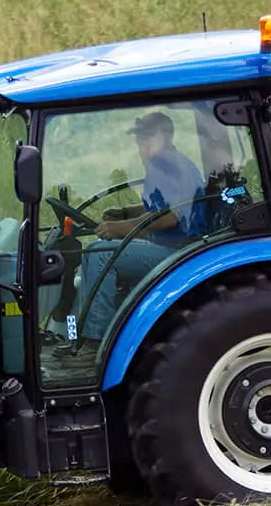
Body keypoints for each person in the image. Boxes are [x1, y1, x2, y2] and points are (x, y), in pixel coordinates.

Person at [75, 110, 205, 340]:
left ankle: (94, 340)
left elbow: (170, 216)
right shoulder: (168, 163)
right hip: (170, 247)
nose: (140, 143)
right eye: (139, 138)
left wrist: (120, 227)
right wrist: (125, 211)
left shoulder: (167, 164)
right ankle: (75, 332)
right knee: (90, 254)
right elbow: (158, 204)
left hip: (178, 252)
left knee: (99, 254)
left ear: (166, 136)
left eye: (147, 137)